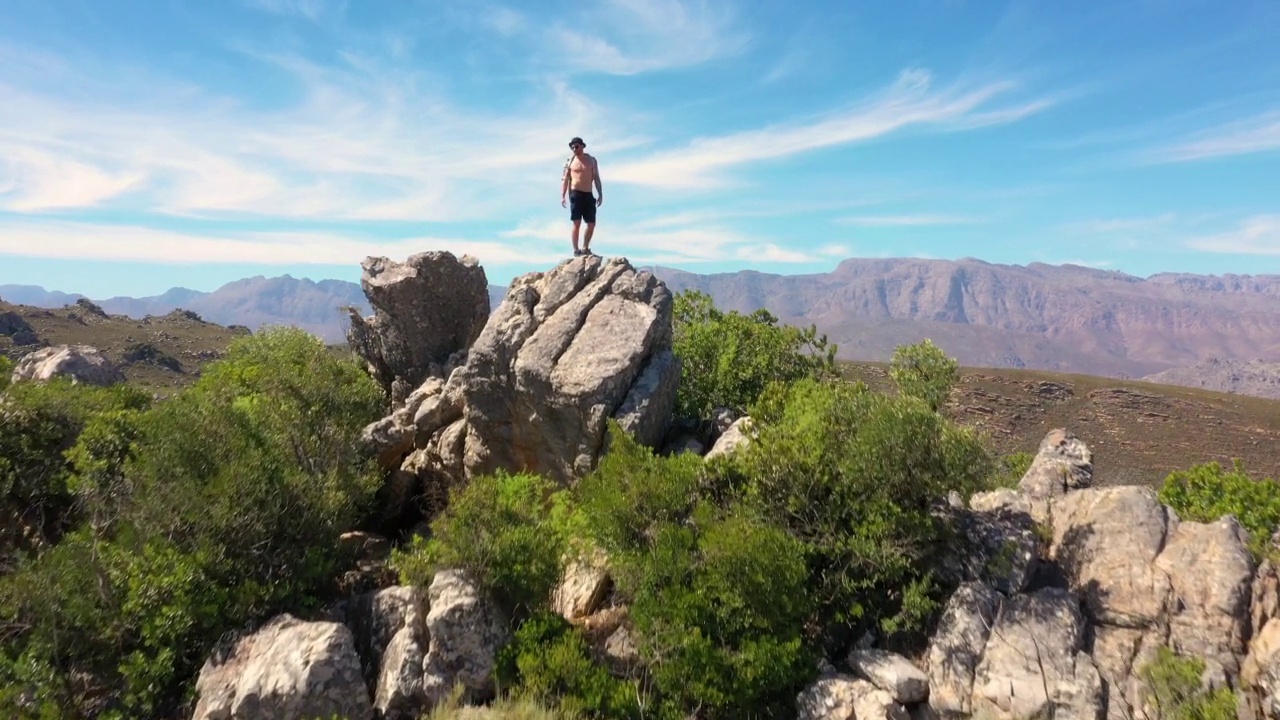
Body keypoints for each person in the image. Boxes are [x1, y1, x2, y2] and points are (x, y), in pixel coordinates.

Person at [560, 136, 603, 257]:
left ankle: (585, 248)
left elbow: (596, 178)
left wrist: (600, 194)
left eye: (576, 146)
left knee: (591, 223)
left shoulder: (592, 161)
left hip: (588, 194)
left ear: (582, 146)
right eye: (572, 147)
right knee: (576, 223)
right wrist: (562, 196)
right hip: (575, 194)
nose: (574, 149)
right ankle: (576, 249)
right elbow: (565, 180)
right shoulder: (570, 162)